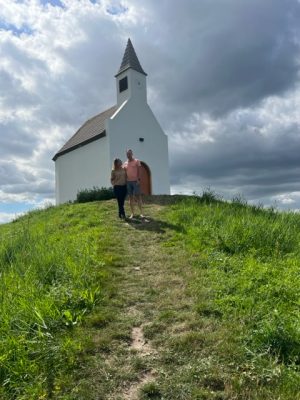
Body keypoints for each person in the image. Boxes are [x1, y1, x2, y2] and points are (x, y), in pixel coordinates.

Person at [123, 149, 144, 219]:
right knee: (130, 198)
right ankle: (132, 213)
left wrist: (139, 179)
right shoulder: (125, 163)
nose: (128, 155)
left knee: (138, 197)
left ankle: (141, 213)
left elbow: (140, 171)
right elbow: (124, 173)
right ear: (126, 155)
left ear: (132, 154)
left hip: (136, 181)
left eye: (129, 154)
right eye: (127, 154)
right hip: (128, 182)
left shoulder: (137, 161)